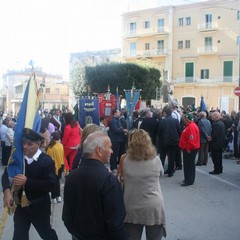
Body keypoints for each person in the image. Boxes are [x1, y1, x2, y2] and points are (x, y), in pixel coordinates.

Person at [62, 131, 127, 240]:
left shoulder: (72, 177)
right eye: (109, 147)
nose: (112, 151)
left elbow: (67, 215)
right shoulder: (108, 179)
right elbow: (115, 221)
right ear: (99, 151)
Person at [2, 128, 58, 240]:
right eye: (23, 143)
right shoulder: (18, 159)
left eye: (29, 144)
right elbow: (6, 175)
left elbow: (50, 184)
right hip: (21, 206)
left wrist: (27, 181)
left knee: (46, 233)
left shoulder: (46, 161)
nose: (25, 146)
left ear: (38, 144)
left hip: (39, 206)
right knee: (19, 235)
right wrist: (7, 191)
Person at [122, 129, 166, 240]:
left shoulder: (125, 160)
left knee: (132, 237)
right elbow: (161, 174)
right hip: (153, 206)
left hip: (132, 205)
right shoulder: (156, 160)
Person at [157, 105, 182, 177]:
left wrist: (161, 138)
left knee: (162, 156)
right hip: (174, 141)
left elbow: (159, 131)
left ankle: (161, 171)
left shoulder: (162, 121)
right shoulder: (175, 121)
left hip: (164, 141)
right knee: (172, 157)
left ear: (165, 113)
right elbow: (179, 130)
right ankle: (170, 172)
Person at [179, 113, 200, 186]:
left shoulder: (191, 127)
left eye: (184, 119)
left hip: (190, 149)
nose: (183, 120)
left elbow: (191, 140)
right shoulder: (189, 126)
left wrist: (188, 148)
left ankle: (189, 180)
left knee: (189, 165)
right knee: (188, 164)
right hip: (188, 148)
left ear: (187, 119)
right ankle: (188, 178)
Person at [46, 131, 65, 204]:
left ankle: (53, 197)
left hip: (53, 166)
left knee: (53, 182)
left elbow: (48, 157)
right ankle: (58, 196)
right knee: (57, 181)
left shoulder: (50, 147)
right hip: (61, 165)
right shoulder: (61, 146)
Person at [108, 109, 128, 173]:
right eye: (118, 112)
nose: (120, 113)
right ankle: (113, 167)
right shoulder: (113, 121)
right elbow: (116, 130)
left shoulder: (117, 120)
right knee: (113, 154)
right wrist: (122, 130)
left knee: (117, 153)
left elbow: (120, 127)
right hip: (115, 140)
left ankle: (116, 165)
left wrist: (121, 129)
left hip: (119, 139)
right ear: (115, 113)